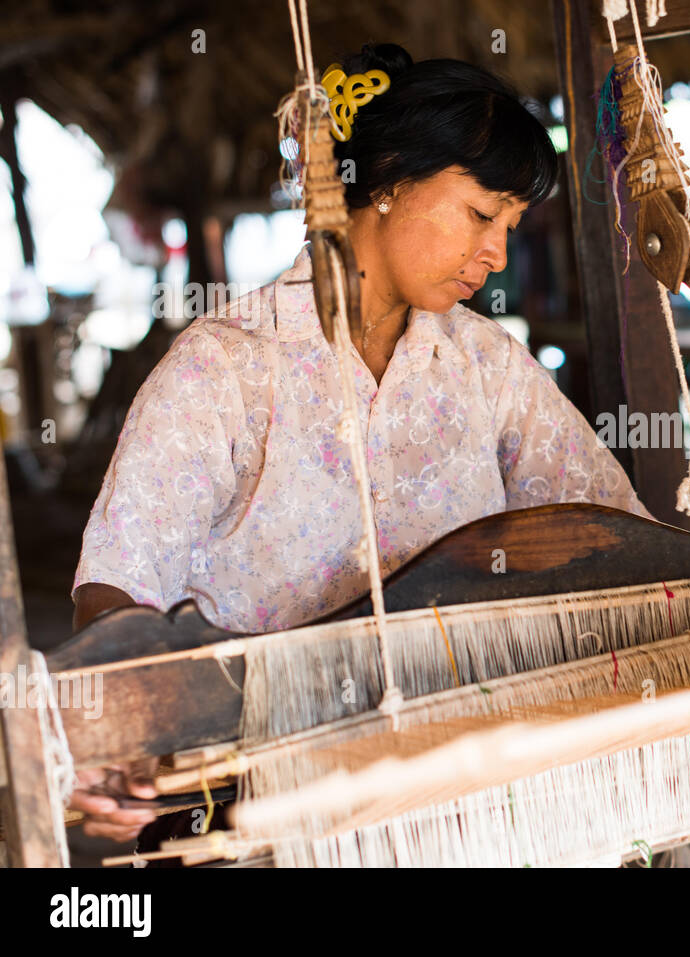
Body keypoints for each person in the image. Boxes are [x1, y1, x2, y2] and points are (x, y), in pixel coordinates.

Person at [67, 44, 648, 843]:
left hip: (459, 795)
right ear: (386, 182)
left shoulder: (484, 366)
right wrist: (120, 726)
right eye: (482, 214)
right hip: (262, 807)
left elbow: (616, 536)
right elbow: (116, 584)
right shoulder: (229, 365)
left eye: (512, 227)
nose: (498, 254)